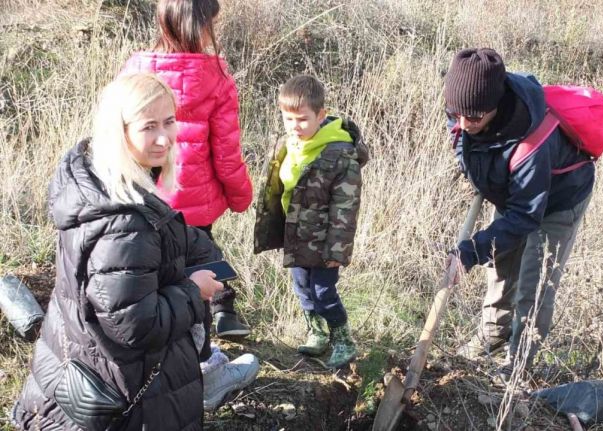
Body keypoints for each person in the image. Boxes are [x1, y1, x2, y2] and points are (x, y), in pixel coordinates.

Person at [11, 74, 259, 430]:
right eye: (149, 126)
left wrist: (199, 248)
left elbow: (158, 240)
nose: (164, 138)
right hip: (126, 391)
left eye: (170, 122)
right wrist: (194, 292)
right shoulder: (124, 221)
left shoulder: (99, 179)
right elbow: (134, 324)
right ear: (120, 130)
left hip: (88, 363)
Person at [444, 48, 594, 377]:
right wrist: (476, 172)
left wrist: (468, 252)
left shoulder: (532, 141)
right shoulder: (465, 109)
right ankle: (494, 333)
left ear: (495, 107)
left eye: (474, 118)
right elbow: (461, 137)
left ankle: (519, 362)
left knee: (534, 283)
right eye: (457, 115)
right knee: (501, 263)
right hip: (514, 193)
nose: (464, 124)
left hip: (558, 199)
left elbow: (526, 216)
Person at [120, 0, 253, 342]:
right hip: (196, 204)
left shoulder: (136, 67)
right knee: (199, 263)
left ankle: (172, 344)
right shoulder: (216, 75)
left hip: (145, 197)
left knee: (153, 270)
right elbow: (226, 154)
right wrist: (241, 197)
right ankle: (206, 343)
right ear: (202, 25)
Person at [254, 74, 368, 369]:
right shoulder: (287, 145)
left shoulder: (340, 154)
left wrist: (337, 251)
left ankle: (343, 339)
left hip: (325, 240)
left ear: (321, 115)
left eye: (302, 119)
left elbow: (346, 208)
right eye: (288, 119)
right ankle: (317, 333)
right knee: (302, 287)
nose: (295, 126)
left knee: (323, 291)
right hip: (296, 235)